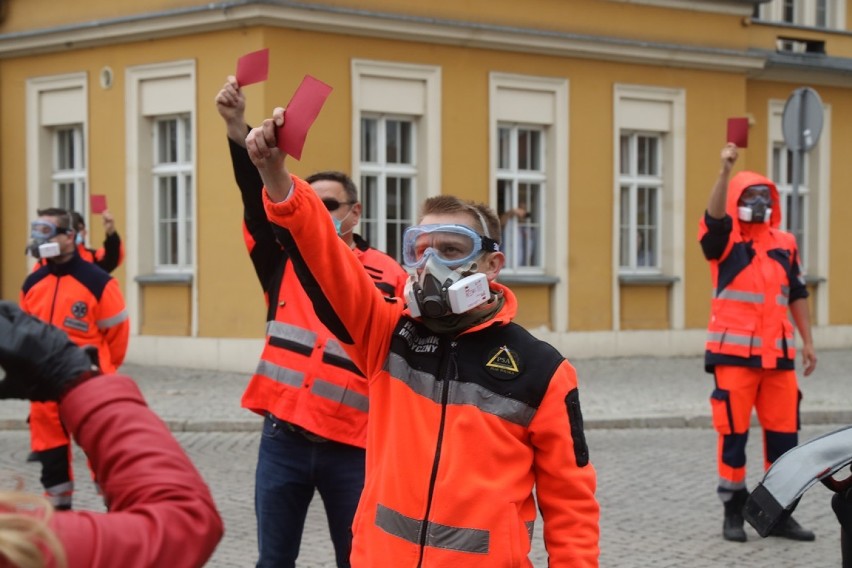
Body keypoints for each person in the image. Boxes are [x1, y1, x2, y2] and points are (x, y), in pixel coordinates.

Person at [245, 108, 600, 566]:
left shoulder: (542, 370)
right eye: (421, 249)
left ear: (492, 265)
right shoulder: (386, 334)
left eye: (452, 249)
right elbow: (325, 255)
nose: (432, 264)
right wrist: (275, 175)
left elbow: (571, 506)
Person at [215, 77, 408, 568]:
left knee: (359, 560)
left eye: (328, 207)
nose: (315, 215)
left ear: (355, 213)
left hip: (355, 447)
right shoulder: (282, 259)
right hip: (285, 441)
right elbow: (254, 196)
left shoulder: (391, 275)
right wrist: (239, 130)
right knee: (273, 562)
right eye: (308, 203)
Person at [0, 301, 223, 568]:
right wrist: (80, 377)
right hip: (70, 394)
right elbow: (184, 526)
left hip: (66, 394)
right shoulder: (20, 545)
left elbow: (117, 331)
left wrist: (106, 365)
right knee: (55, 475)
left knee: (92, 475)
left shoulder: (95, 280)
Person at [699, 143, 818, 543]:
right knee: (732, 435)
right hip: (734, 357)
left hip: (779, 358)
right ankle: (733, 510)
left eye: (765, 196)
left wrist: (808, 341)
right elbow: (714, 217)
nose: (759, 202)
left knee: (785, 439)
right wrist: (724, 171)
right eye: (750, 196)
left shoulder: (785, 242)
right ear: (737, 201)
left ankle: (779, 514)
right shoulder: (725, 242)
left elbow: (797, 293)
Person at [20, 208, 129, 511]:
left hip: (88, 386)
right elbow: (25, 335)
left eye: (48, 231)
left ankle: (118, 522)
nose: (41, 238)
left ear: (71, 236)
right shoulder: (33, 283)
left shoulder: (99, 282)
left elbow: (117, 337)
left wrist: (103, 371)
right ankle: (60, 528)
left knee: (102, 454)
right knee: (52, 465)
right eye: (38, 231)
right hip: (45, 392)